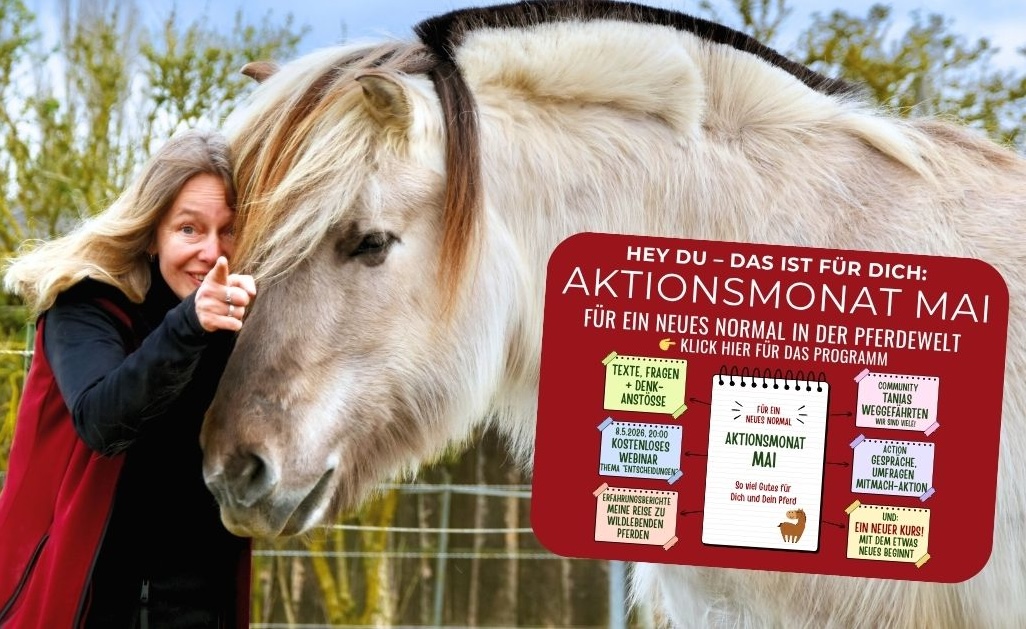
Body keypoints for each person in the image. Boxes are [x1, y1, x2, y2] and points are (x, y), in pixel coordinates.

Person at [0, 129, 256, 628]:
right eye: (189, 229)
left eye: (229, 230)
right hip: (75, 601)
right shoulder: (87, 302)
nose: (212, 252)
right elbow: (103, 421)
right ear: (152, 230)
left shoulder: (237, 317)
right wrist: (189, 326)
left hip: (196, 603)